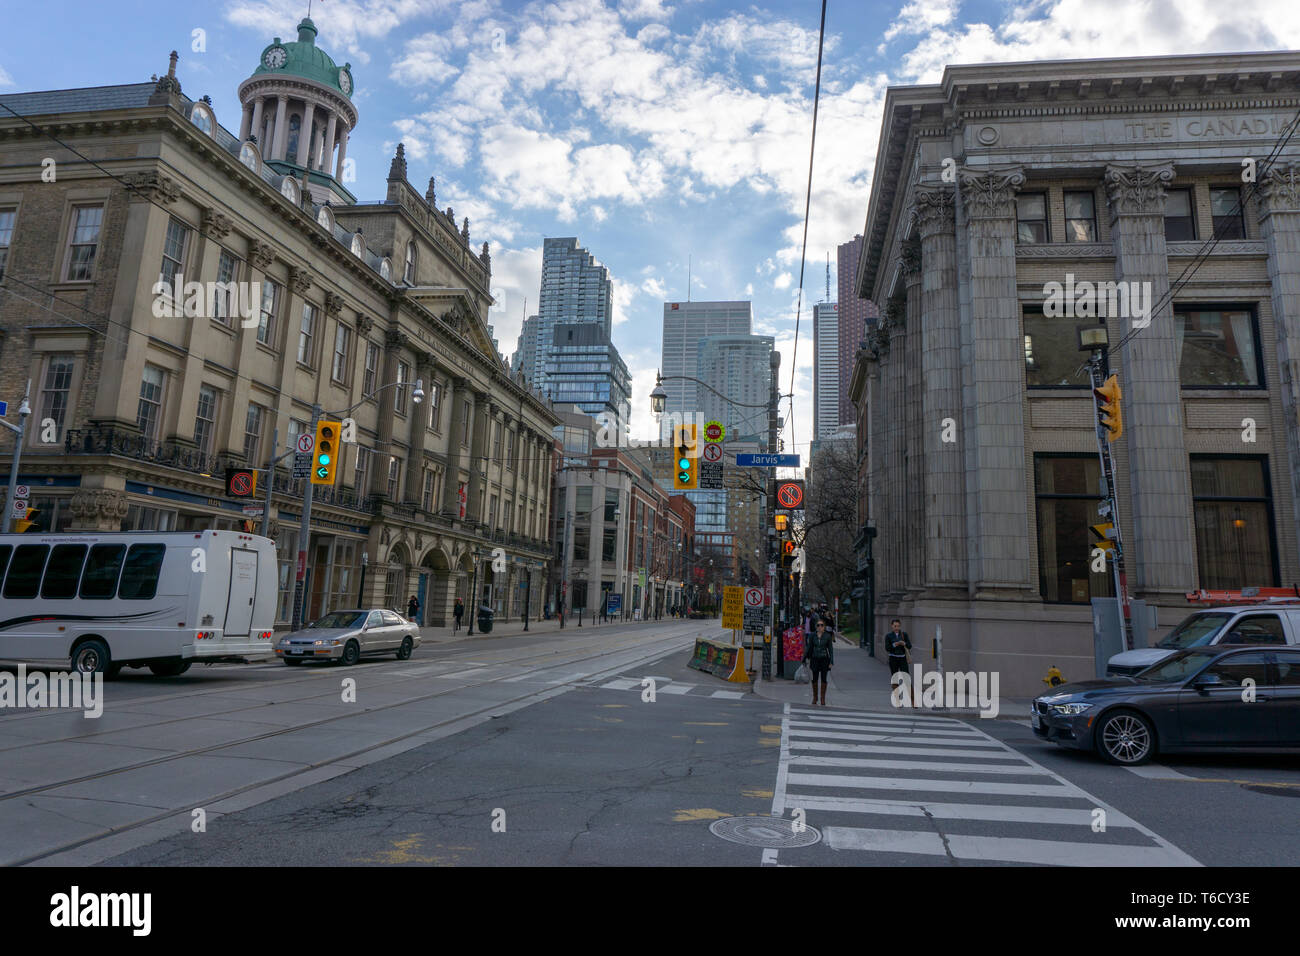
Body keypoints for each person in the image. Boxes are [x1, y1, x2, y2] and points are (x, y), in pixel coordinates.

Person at [804, 618, 834, 706]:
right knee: (815, 678)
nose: (820, 627)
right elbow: (809, 647)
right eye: (818, 625)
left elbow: (831, 650)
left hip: (824, 659)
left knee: (824, 679)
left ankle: (822, 698)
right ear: (816, 627)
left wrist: (831, 661)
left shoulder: (827, 636)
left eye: (821, 625)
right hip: (815, 659)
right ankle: (815, 697)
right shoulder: (812, 636)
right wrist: (804, 658)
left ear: (824, 627)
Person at [886, 618, 911, 686]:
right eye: (895, 626)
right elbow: (887, 648)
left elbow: (909, 646)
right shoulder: (888, 636)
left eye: (898, 626)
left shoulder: (904, 634)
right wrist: (895, 644)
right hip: (893, 658)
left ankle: (909, 693)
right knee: (894, 677)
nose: (897, 628)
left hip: (902, 658)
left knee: (906, 676)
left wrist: (904, 643)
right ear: (892, 626)